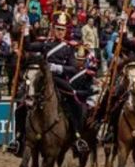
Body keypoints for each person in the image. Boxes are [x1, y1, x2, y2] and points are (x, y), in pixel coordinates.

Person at [16, 12, 88, 156]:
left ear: (66, 31)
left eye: (62, 29)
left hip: (58, 79)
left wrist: (57, 68)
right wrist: (26, 29)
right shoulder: (45, 44)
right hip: (41, 79)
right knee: (21, 105)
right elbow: (28, 46)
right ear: (53, 29)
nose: (60, 32)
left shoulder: (69, 48)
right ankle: (19, 138)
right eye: (58, 29)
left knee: (76, 104)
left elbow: (73, 68)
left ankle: (76, 137)